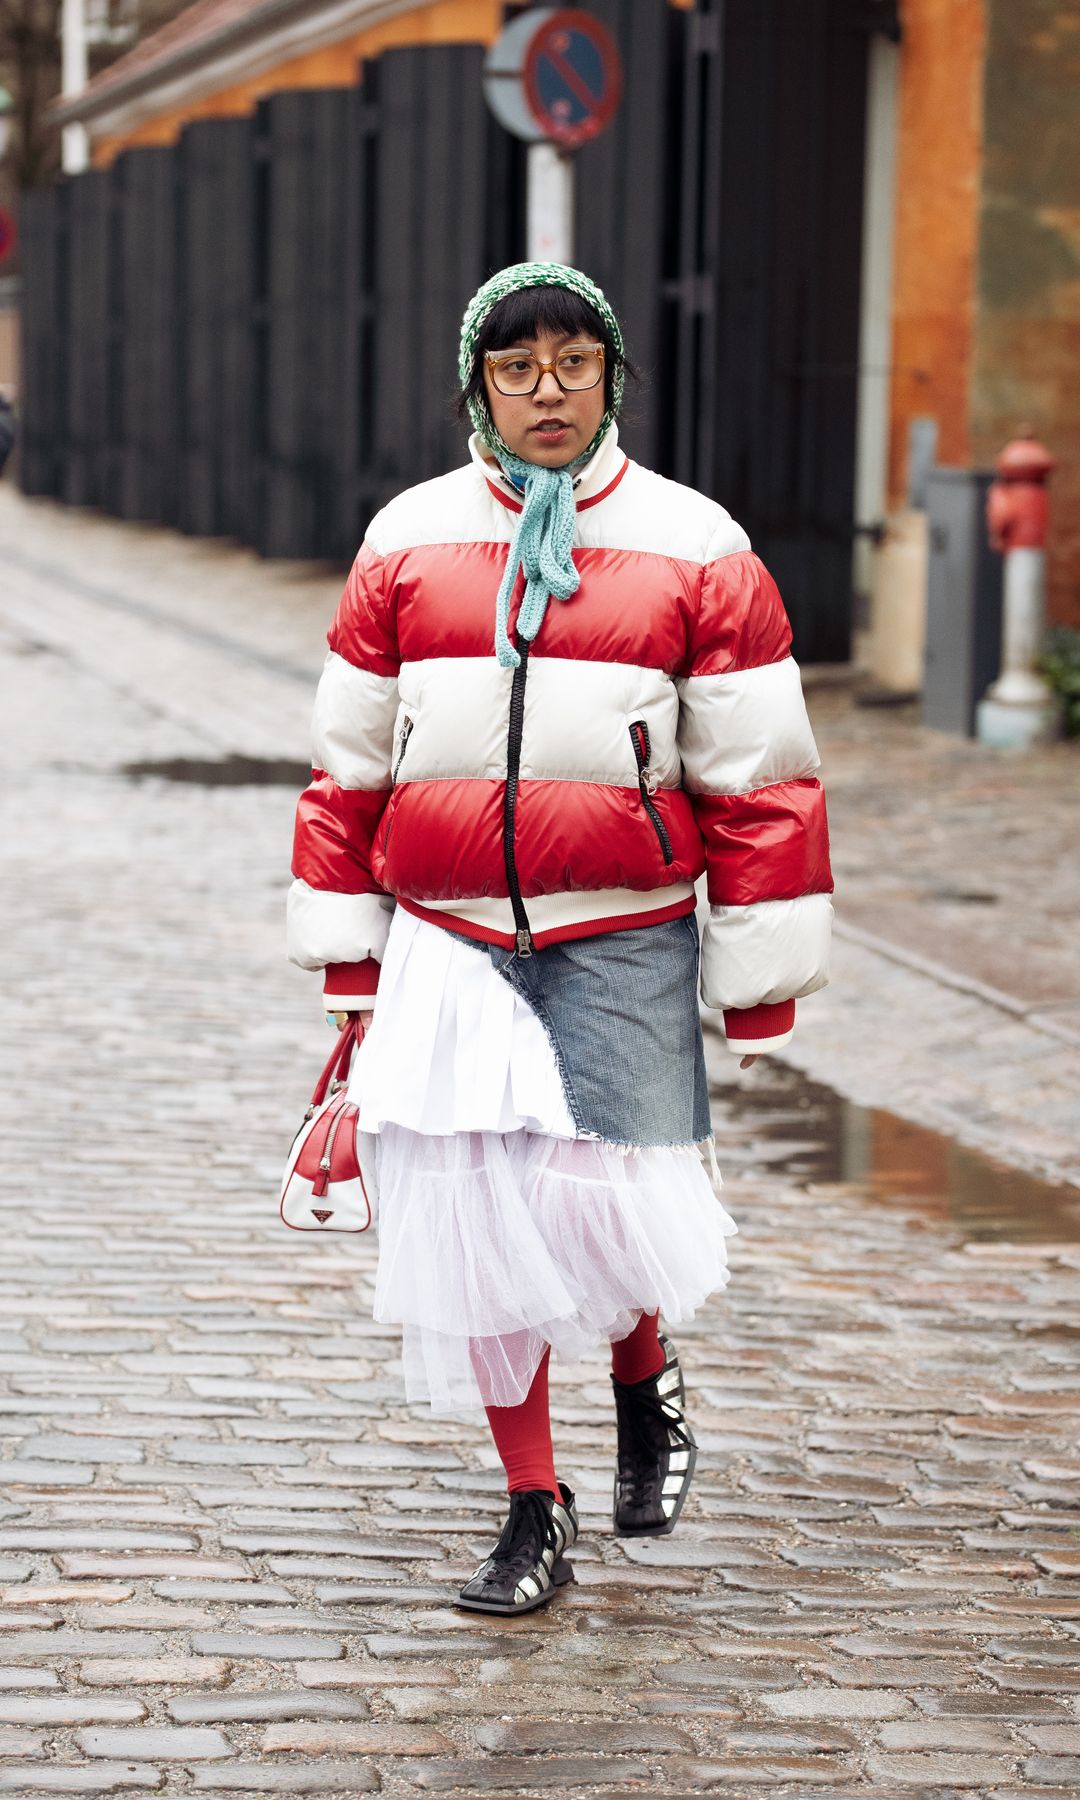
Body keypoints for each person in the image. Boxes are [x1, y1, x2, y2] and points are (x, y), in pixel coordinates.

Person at [287, 262, 832, 1615]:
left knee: (610, 1214)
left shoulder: (698, 545)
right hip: (450, 937)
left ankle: (643, 1380)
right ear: (479, 383)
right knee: (478, 1226)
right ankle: (534, 1505)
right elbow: (346, 769)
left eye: (572, 363)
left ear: (612, 377)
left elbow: (762, 773)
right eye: (517, 366)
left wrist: (761, 983)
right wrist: (350, 959)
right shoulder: (405, 540)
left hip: (623, 933)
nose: (547, 390)